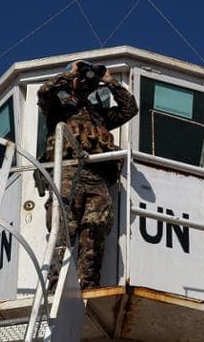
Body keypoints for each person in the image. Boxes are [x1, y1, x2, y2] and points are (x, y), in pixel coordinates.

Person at [37, 60, 138, 290]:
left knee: (95, 229)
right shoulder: (58, 108)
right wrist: (69, 73)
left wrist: (110, 81)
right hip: (67, 174)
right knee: (64, 227)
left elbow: (129, 109)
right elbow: (44, 91)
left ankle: (88, 285)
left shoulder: (99, 115)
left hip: (97, 179)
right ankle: (54, 285)